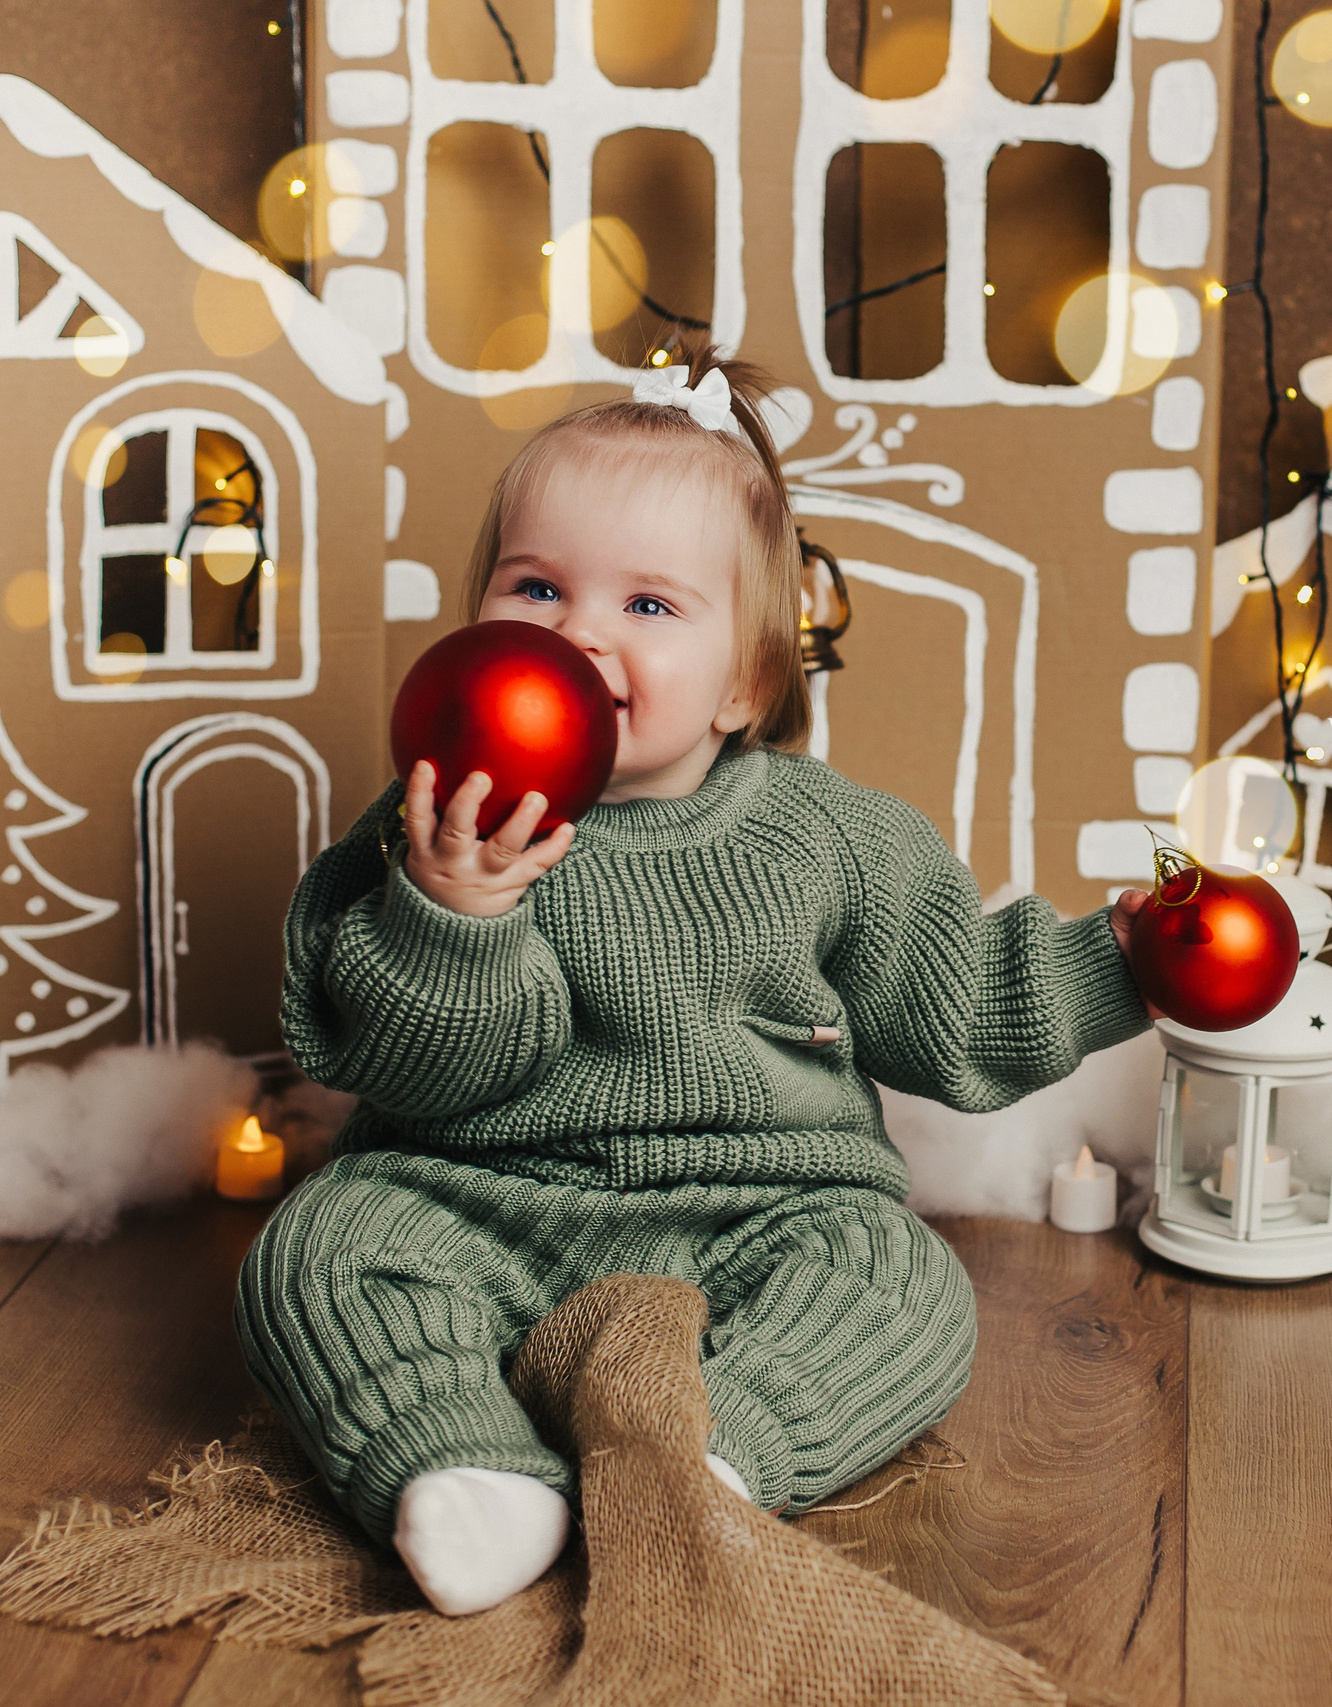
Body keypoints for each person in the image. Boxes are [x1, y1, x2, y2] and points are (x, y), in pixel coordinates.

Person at [236, 346, 1155, 1616]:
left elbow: (959, 1011)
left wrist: (1122, 957)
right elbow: (406, 1063)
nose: (577, 634)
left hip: (763, 1210)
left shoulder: (832, 839)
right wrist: (453, 912)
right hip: (475, 1191)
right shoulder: (434, 827)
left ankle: (718, 1456)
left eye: (648, 607)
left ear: (745, 684)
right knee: (319, 1253)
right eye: (537, 587)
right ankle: (464, 1469)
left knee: (902, 1282)